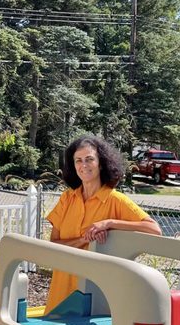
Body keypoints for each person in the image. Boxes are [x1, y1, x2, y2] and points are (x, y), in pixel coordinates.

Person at [44, 134, 162, 314]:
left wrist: (109, 223)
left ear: (101, 163)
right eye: (78, 160)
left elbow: (154, 230)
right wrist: (87, 239)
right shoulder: (67, 198)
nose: (83, 165)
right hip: (62, 288)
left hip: (95, 293)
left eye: (89, 159)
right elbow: (53, 246)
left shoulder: (115, 200)